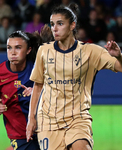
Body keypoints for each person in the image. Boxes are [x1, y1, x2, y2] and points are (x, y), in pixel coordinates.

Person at [26, 3, 122, 150]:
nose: (54, 28)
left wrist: (119, 56)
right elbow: (38, 85)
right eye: (52, 24)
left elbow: (120, 67)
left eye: (60, 24)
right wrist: (31, 119)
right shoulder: (44, 51)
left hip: (77, 118)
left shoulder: (91, 51)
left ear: (72, 25)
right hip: (48, 121)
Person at [0, 27, 53, 150]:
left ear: (28, 50)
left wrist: (38, 91)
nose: (13, 52)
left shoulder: (39, 67)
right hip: (20, 135)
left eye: (18, 48)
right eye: (9, 48)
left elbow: (58, 91)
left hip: (47, 129)